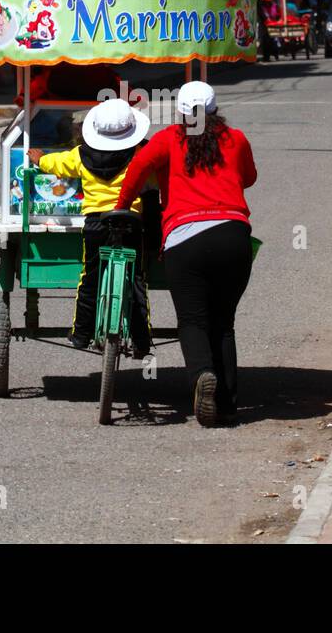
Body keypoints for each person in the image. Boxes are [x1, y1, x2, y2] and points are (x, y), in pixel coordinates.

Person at [115, 82, 257, 427]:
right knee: (223, 323)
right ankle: (226, 403)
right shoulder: (235, 138)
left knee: (193, 320)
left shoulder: (167, 140)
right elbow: (249, 178)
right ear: (215, 109)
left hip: (185, 239)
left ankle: (202, 375)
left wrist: (121, 207)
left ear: (179, 110)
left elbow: (135, 171)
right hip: (233, 236)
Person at [27, 98, 153, 359]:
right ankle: (142, 341)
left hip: (97, 223)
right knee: (137, 279)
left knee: (90, 277)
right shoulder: (141, 152)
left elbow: (56, 163)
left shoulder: (81, 154)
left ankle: (81, 334)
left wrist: (40, 159)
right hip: (131, 221)